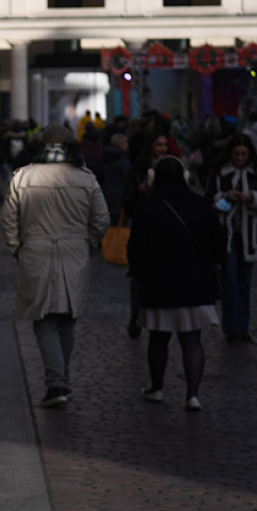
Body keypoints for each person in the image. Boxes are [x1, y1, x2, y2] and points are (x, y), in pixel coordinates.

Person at [1, 125, 109, 407]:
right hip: (74, 251)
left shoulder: (23, 177)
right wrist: (88, 243)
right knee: (66, 319)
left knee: (45, 320)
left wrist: (16, 248)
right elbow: (101, 219)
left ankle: (56, 382)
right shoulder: (85, 178)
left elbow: (9, 220)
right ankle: (60, 378)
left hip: (36, 250)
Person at [129, 156, 226, 411]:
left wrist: (139, 273)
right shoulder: (201, 205)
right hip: (196, 282)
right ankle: (192, 394)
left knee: (158, 339)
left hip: (158, 282)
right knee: (192, 341)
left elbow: (136, 247)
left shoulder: (148, 207)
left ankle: (157, 388)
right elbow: (218, 242)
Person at [207, 134, 257, 341]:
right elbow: (210, 199)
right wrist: (225, 197)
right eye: (236, 154)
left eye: (243, 155)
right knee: (231, 280)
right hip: (228, 234)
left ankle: (242, 327)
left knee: (244, 283)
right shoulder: (222, 172)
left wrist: (251, 198)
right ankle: (231, 326)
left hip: (250, 235)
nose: (240, 158)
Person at [120, 131, 171, 338]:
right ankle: (136, 314)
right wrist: (141, 191)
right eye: (159, 145)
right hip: (142, 223)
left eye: (165, 145)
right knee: (139, 271)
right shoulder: (137, 170)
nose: (163, 149)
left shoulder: (171, 168)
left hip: (164, 224)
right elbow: (127, 200)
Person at [99, 133, 131, 225]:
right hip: (120, 195)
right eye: (125, 142)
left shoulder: (105, 157)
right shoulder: (122, 159)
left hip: (106, 193)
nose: (127, 145)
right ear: (120, 144)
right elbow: (127, 177)